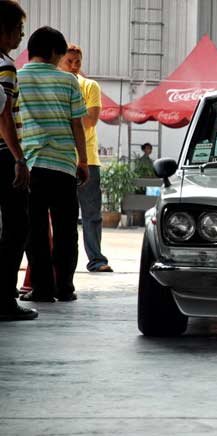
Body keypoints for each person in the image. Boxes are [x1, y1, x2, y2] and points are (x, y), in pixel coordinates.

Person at [18, 26, 89, 303]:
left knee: (34, 231)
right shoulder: (69, 81)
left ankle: (43, 289)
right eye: (60, 56)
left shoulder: (16, 77)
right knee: (66, 231)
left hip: (30, 165)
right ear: (52, 53)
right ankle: (65, 287)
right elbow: (77, 124)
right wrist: (83, 161)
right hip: (63, 166)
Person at [59, 44, 113, 273]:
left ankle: (96, 260)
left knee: (91, 214)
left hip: (88, 158)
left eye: (78, 62)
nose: (74, 66)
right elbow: (85, 118)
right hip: (61, 159)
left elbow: (91, 121)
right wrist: (76, 117)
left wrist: (66, 118)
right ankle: (60, 262)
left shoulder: (90, 85)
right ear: (60, 61)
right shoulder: (57, 85)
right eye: (69, 61)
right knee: (62, 216)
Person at [0, 0, 37, 321]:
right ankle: (4, 300)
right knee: (16, 227)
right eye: (18, 30)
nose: (20, 36)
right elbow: (4, 118)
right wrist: (19, 160)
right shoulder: (5, 66)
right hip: (3, 156)